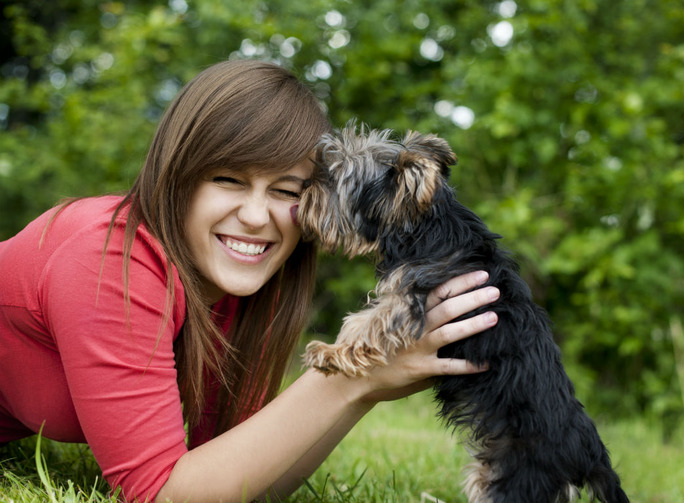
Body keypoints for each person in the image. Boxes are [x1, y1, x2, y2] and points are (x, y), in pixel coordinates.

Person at [0, 59, 499, 502]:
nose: (257, 217)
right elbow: (160, 494)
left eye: (286, 190)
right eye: (229, 180)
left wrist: (363, 391)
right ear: (176, 175)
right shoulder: (111, 259)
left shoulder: (240, 283)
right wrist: (353, 375)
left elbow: (240, 483)